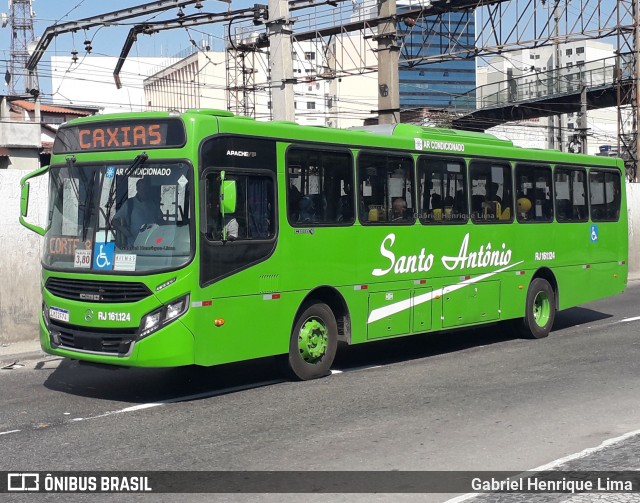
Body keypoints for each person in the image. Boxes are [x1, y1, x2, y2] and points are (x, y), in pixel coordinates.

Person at [113, 177, 164, 246]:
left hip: (152, 244)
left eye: (146, 188)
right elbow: (114, 221)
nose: (144, 190)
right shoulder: (130, 203)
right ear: (137, 189)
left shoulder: (153, 204)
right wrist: (123, 230)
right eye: (142, 188)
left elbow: (161, 220)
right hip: (133, 245)